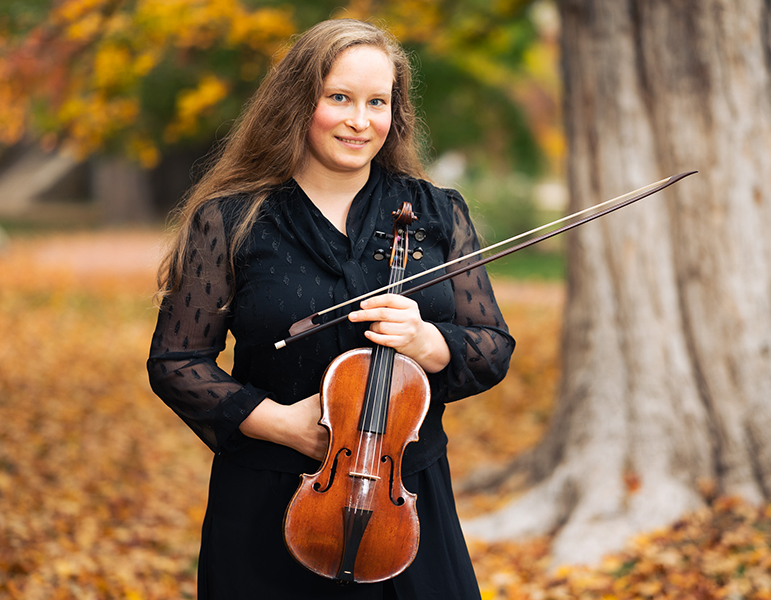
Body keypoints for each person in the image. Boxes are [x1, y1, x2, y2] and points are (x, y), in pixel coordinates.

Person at [147, 18, 514, 600]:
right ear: (299, 102)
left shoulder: (436, 213)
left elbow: (492, 346)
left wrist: (428, 342)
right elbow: (177, 361)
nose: (360, 121)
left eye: (378, 102)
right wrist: (283, 424)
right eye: (339, 98)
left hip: (405, 504)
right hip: (269, 501)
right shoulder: (231, 219)